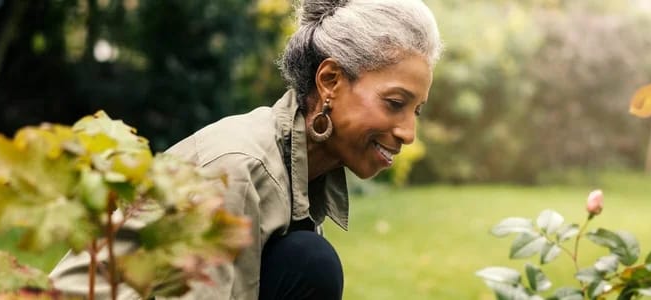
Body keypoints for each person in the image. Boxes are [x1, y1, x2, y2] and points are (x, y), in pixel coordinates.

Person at [48, 0, 442, 299]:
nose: (408, 132)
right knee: (310, 261)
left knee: (306, 261)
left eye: (417, 110)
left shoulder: (301, 169)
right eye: (394, 103)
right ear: (330, 81)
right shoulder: (239, 167)